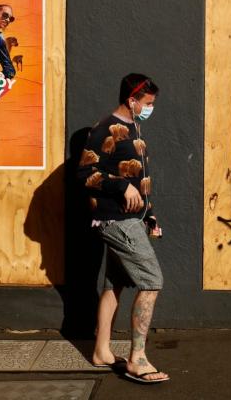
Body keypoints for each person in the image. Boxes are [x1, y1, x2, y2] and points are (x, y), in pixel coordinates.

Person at [80, 74, 169, 385]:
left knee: (113, 284)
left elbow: (139, 182)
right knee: (152, 281)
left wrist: (150, 216)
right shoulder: (106, 129)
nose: (150, 109)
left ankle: (102, 352)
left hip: (130, 219)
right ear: (132, 100)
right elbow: (85, 174)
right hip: (115, 220)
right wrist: (119, 186)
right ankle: (137, 359)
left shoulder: (134, 128)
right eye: (147, 104)